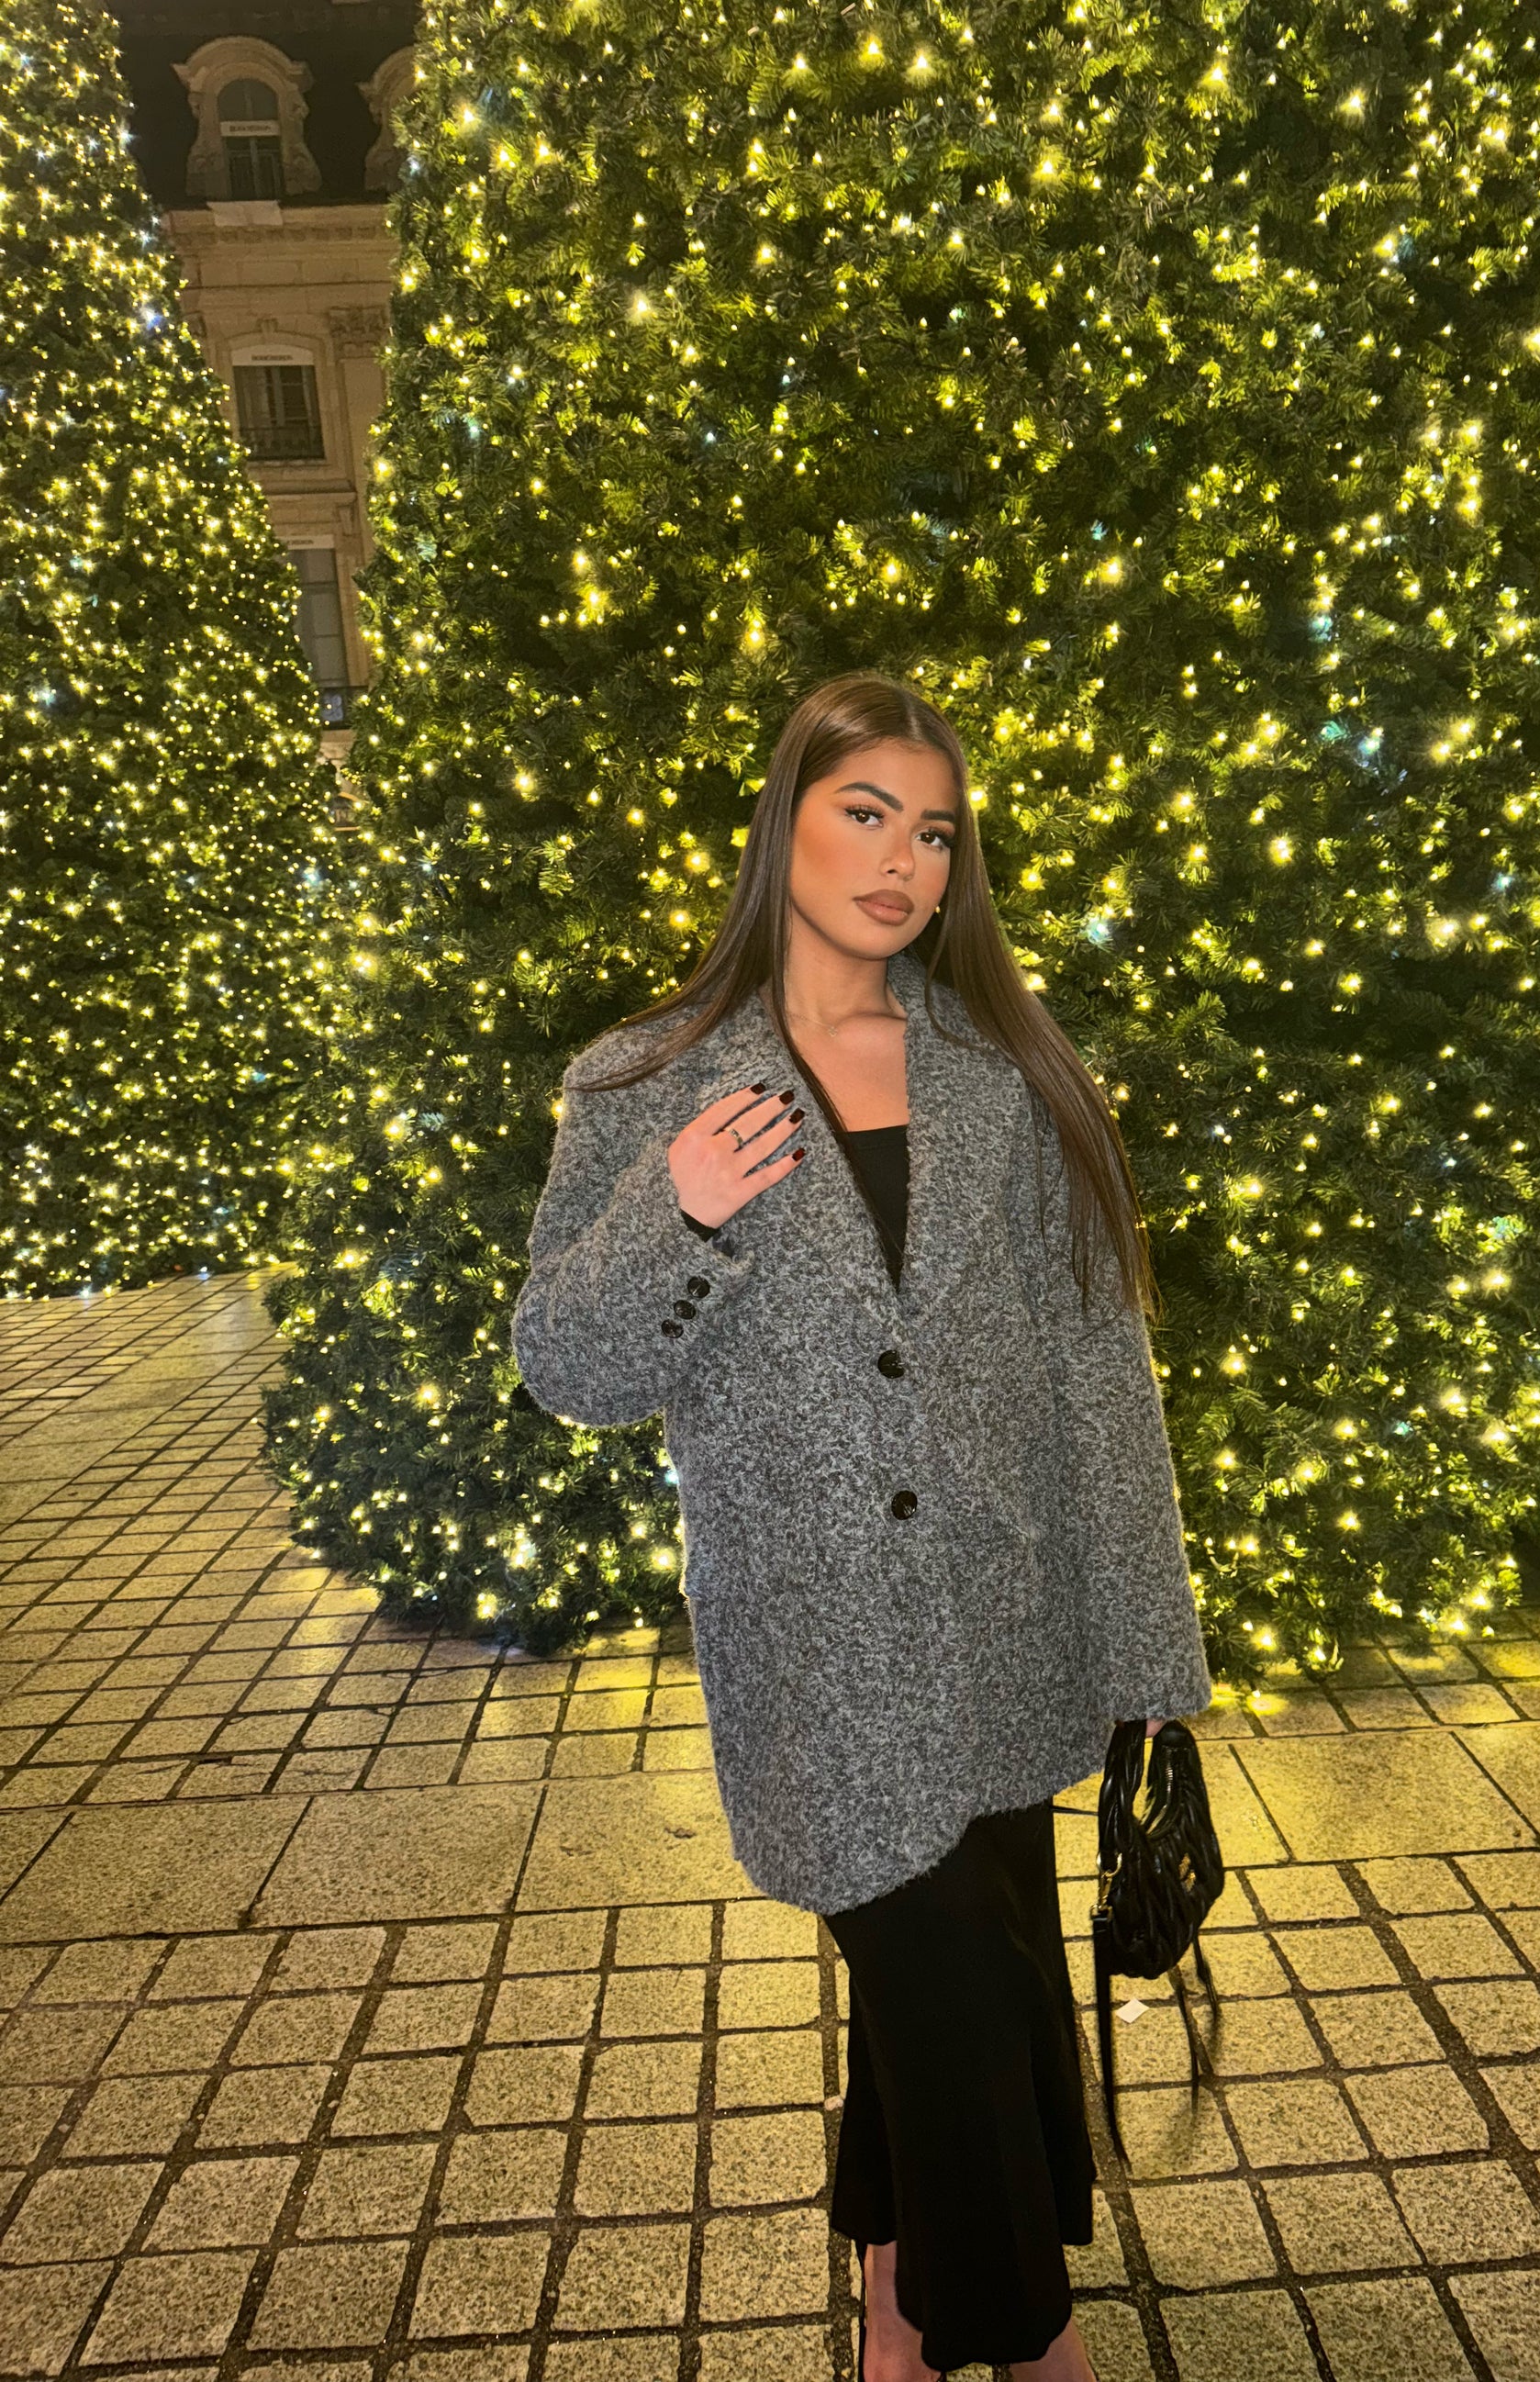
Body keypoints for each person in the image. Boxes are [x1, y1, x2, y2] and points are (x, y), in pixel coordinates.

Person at [512, 673, 1211, 2382]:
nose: (904, 861)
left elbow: (1093, 1365)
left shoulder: (1002, 1072)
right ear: (787, 822)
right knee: (961, 1995)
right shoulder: (646, 1082)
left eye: (936, 833)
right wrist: (677, 1210)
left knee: (967, 1978)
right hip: (816, 1643)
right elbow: (569, 1371)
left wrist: (1148, 1648)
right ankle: (1029, 2338)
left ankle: (897, 2311)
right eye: (866, 814)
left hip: (1007, 1619)